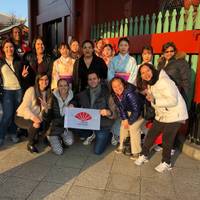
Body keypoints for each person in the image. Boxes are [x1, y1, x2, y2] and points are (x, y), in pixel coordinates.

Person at [135, 63, 188, 173]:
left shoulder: (164, 81)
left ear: (153, 70)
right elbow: (155, 102)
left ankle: (166, 162)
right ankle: (144, 155)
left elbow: (173, 101)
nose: (146, 74)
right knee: (151, 134)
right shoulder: (151, 83)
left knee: (167, 139)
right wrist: (152, 99)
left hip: (175, 114)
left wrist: (154, 100)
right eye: (142, 73)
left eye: (147, 71)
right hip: (163, 114)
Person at [70, 71, 116, 154]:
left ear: (98, 79)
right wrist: (72, 104)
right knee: (74, 126)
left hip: (103, 124)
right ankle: (91, 134)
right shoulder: (84, 93)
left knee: (97, 151)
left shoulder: (107, 92)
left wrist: (109, 112)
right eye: (90, 79)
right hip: (89, 122)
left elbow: (114, 112)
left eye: (94, 79)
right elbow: (76, 99)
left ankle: (110, 134)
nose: (92, 81)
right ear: (87, 81)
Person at [0, 39, 28, 146]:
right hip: (7, 91)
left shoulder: (19, 61)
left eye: (11, 46)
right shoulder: (1, 62)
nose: (9, 49)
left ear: (14, 48)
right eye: (6, 47)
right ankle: (1, 136)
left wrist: (24, 76)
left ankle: (12, 133)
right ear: (3, 49)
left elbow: (21, 77)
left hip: (18, 91)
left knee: (14, 115)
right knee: (7, 115)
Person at [15, 73, 52, 153]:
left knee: (47, 119)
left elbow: (45, 112)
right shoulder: (31, 90)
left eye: (46, 79)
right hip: (21, 116)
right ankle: (30, 144)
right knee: (36, 124)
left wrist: (46, 108)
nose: (44, 81)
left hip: (36, 116)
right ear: (37, 81)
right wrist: (34, 118)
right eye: (41, 79)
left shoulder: (47, 93)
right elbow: (25, 108)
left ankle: (41, 136)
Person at [110, 77, 144, 160]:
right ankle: (122, 146)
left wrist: (129, 122)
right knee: (123, 126)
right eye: (114, 87)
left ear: (123, 84)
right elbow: (121, 108)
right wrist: (125, 119)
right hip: (130, 111)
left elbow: (137, 110)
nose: (117, 88)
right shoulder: (115, 94)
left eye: (119, 85)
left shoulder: (130, 93)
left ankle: (136, 152)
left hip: (142, 111)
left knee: (133, 127)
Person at [157, 42, 191, 107]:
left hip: (176, 95)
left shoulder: (181, 62)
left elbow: (186, 81)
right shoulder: (160, 63)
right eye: (166, 51)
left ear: (175, 51)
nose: (169, 53)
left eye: (171, 51)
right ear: (163, 53)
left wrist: (183, 98)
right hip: (163, 95)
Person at [47, 79, 74, 155]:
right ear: (57, 87)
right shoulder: (52, 97)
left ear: (68, 87)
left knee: (69, 142)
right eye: (61, 86)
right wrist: (46, 111)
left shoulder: (72, 96)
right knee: (59, 152)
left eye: (65, 85)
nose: (63, 87)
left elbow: (77, 102)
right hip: (54, 127)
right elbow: (47, 117)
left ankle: (61, 138)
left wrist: (73, 104)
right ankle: (51, 138)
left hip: (65, 126)